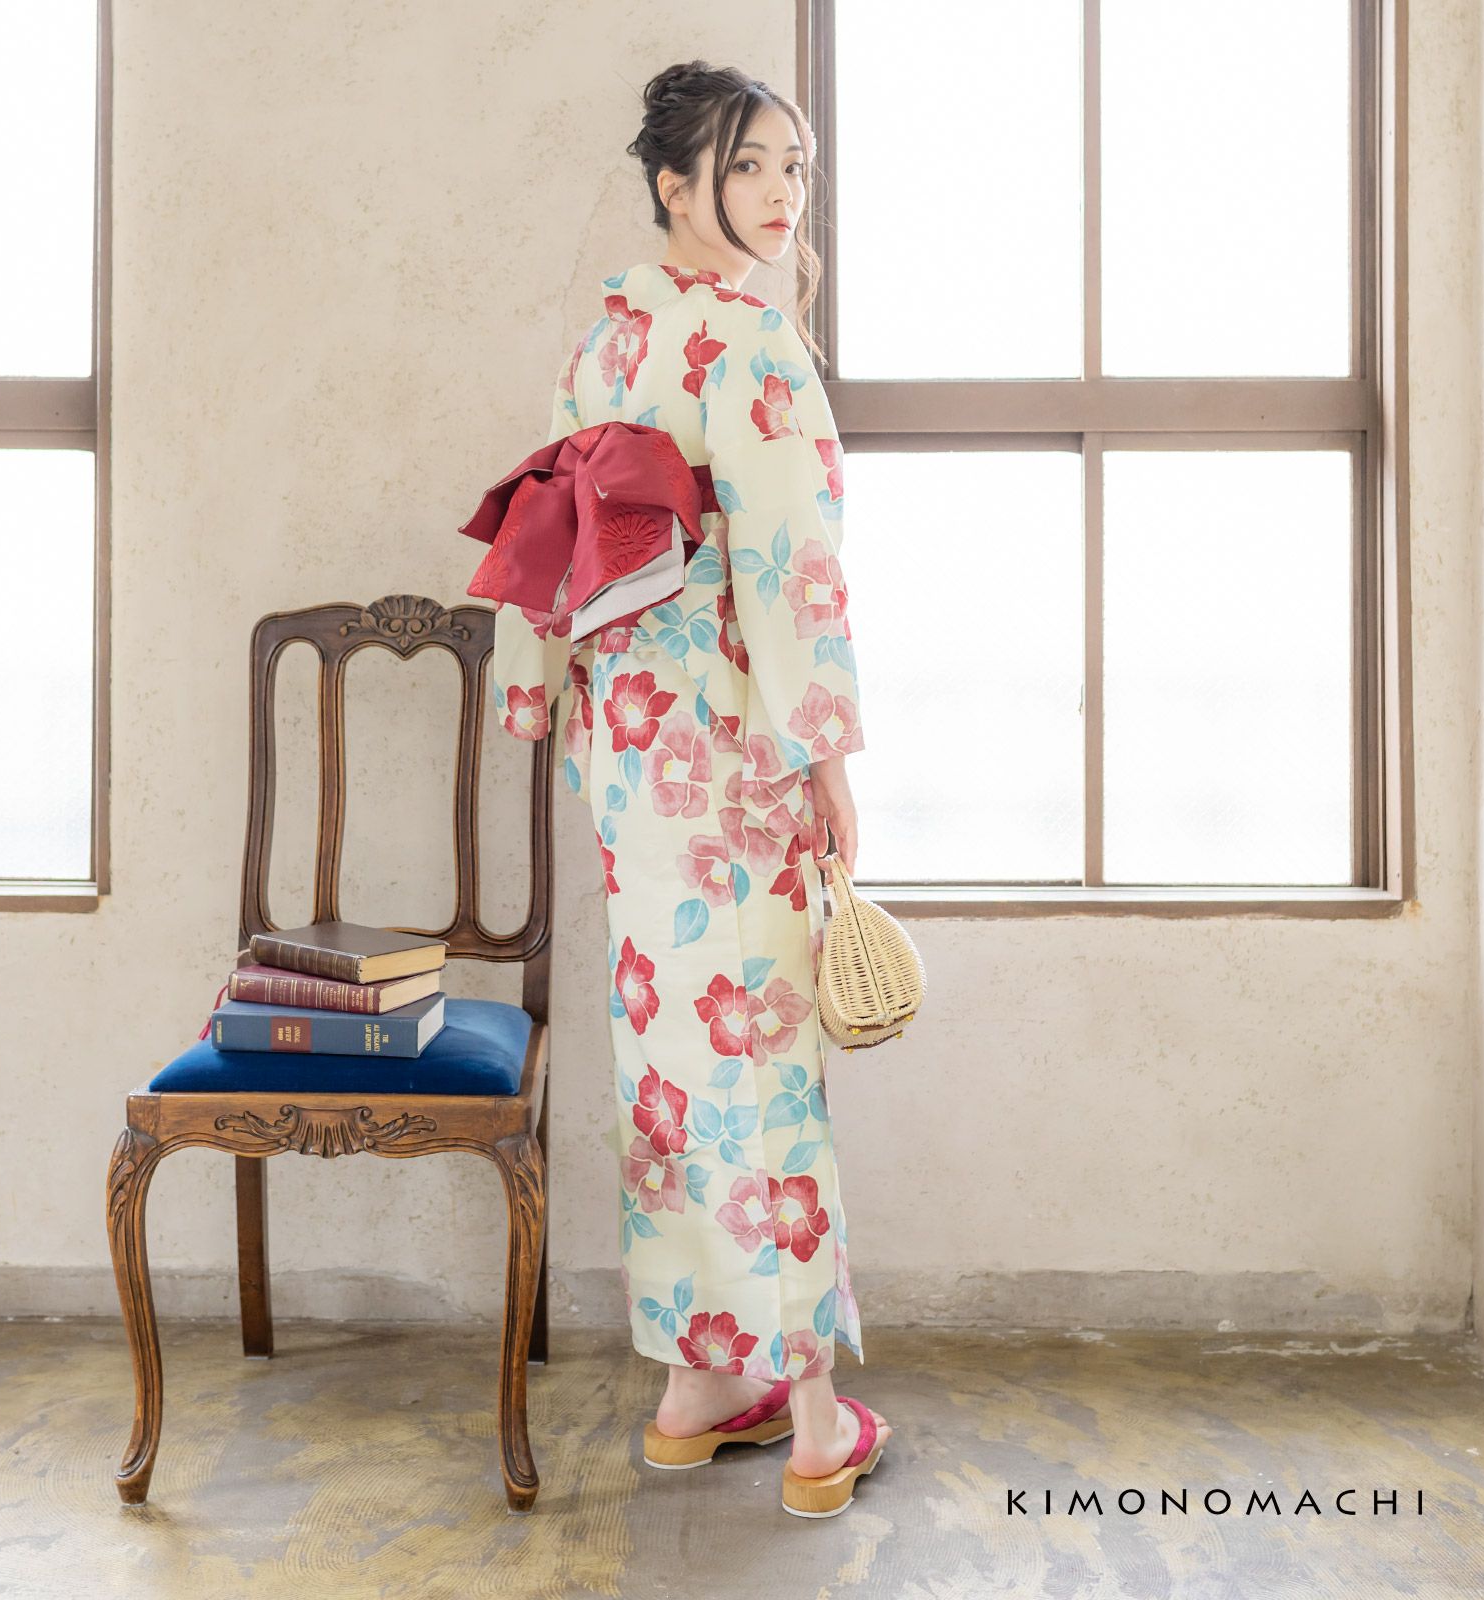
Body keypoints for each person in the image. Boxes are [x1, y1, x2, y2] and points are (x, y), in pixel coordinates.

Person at [487, 60, 891, 1514]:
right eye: (749, 165)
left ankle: (699, 1385)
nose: (783, 193)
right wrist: (828, 757)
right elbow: (789, 567)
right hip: (734, 748)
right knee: (764, 1074)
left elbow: (546, 542)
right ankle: (816, 1421)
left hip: (629, 754)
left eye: (794, 166)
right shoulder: (750, 341)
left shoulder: (607, 343)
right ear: (674, 184)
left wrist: (536, 697)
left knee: (673, 1069)